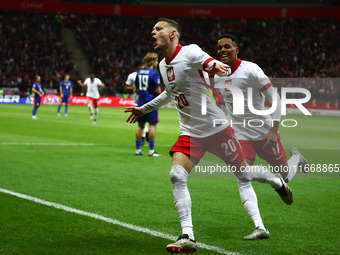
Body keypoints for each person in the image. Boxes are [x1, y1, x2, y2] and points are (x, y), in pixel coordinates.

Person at [125, 18, 295, 254]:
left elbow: (207, 60)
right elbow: (169, 94)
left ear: (173, 34)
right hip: (190, 131)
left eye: (158, 28)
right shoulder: (163, 65)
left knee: (244, 173)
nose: (153, 32)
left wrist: (213, 65)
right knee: (176, 175)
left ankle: (277, 181)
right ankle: (187, 236)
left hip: (217, 128)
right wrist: (143, 109)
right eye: (152, 29)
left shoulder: (191, 52)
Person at [214, 34, 309, 240]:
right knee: (242, 176)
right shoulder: (217, 75)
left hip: (263, 131)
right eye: (219, 47)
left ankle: (295, 159)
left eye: (227, 47)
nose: (222, 50)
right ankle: (259, 226)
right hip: (239, 133)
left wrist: (273, 130)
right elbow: (226, 102)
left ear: (236, 50)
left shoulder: (251, 69)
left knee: (286, 175)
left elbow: (274, 98)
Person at [134, 52, 162, 156]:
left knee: (140, 126)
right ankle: (151, 151)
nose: (157, 62)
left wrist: (142, 94)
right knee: (152, 126)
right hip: (151, 102)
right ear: (152, 61)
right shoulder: (154, 73)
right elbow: (158, 91)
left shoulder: (139, 72)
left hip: (140, 102)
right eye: (156, 60)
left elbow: (136, 89)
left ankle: (137, 150)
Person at [125, 59, 149, 146]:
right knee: (141, 120)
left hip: (146, 99)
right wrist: (134, 87)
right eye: (142, 65)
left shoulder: (148, 74)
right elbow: (126, 87)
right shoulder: (132, 76)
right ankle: (144, 135)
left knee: (143, 120)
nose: (143, 67)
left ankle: (144, 134)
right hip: (137, 100)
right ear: (138, 67)